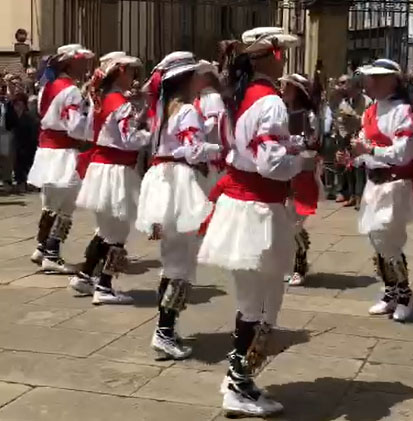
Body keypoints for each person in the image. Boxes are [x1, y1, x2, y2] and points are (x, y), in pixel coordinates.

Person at [197, 27, 313, 417]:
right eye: (280, 52)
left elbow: (251, 152)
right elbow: (271, 164)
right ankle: (238, 384)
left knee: (252, 301)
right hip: (259, 209)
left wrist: (289, 150)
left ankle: (237, 378)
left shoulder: (239, 98)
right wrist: (303, 160)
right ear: (270, 56)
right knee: (261, 305)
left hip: (241, 206)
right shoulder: (270, 103)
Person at [136, 52, 220, 359]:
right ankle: (164, 331)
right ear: (186, 79)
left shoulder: (162, 109)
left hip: (163, 181)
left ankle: (166, 328)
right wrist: (222, 147)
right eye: (197, 74)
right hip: (178, 183)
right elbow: (194, 149)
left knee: (173, 259)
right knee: (180, 264)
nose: (202, 78)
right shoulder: (185, 110)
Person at [351, 59, 413, 322]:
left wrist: (370, 151)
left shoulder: (405, 112)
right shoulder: (370, 111)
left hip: (396, 184)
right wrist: (356, 156)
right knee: (377, 239)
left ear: (394, 81)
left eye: (378, 78)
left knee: (390, 240)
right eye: (370, 78)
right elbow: (364, 145)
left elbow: (403, 152)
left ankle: (405, 293)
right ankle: (390, 291)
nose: (371, 83)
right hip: (374, 183)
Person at [69, 53, 149, 305]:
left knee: (105, 229)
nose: (134, 78)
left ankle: (84, 275)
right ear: (120, 72)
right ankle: (104, 285)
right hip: (116, 170)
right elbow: (128, 140)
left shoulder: (101, 99)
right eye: (131, 73)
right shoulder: (120, 103)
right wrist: (151, 134)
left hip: (101, 169)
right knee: (118, 232)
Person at [27, 44, 94, 273]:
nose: (86, 65)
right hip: (63, 152)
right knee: (66, 204)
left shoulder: (48, 87)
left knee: (50, 203)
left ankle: (41, 247)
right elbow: (75, 127)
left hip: (46, 151)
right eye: (82, 61)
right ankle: (52, 253)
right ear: (70, 63)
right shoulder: (71, 90)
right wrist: (92, 125)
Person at [281, 73, 322, 286]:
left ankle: (300, 265)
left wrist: (294, 147)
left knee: (295, 223)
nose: (282, 90)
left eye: (286, 86)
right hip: (283, 174)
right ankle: (290, 264)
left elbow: (314, 144)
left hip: (302, 174)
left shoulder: (309, 116)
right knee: (285, 222)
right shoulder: (280, 112)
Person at [334, 74, 372, 208]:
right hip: (348, 136)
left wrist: (354, 117)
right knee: (348, 167)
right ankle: (350, 194)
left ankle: (359, 196)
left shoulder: (367, 101)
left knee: (359, 168)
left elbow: (368, 120)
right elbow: (339, 119)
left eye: (352, 89)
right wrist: (343, 134)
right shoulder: (345, 102)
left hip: (361, 136)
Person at [193, 59, 229, 192]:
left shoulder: (212, 97)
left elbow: (216, 126)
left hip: (212, 162)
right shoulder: (201, 97)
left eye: (198, 76)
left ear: (207, 78)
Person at [11, 93, 39, 193]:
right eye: (16, 104)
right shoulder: (12, 116)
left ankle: (28, 183)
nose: (18, 106)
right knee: (17, 164)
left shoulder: (29, 117)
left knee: (27, 163)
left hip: (28, 143)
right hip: (16, 143)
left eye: (20, 103)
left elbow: (33, 131)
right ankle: (21, 183)